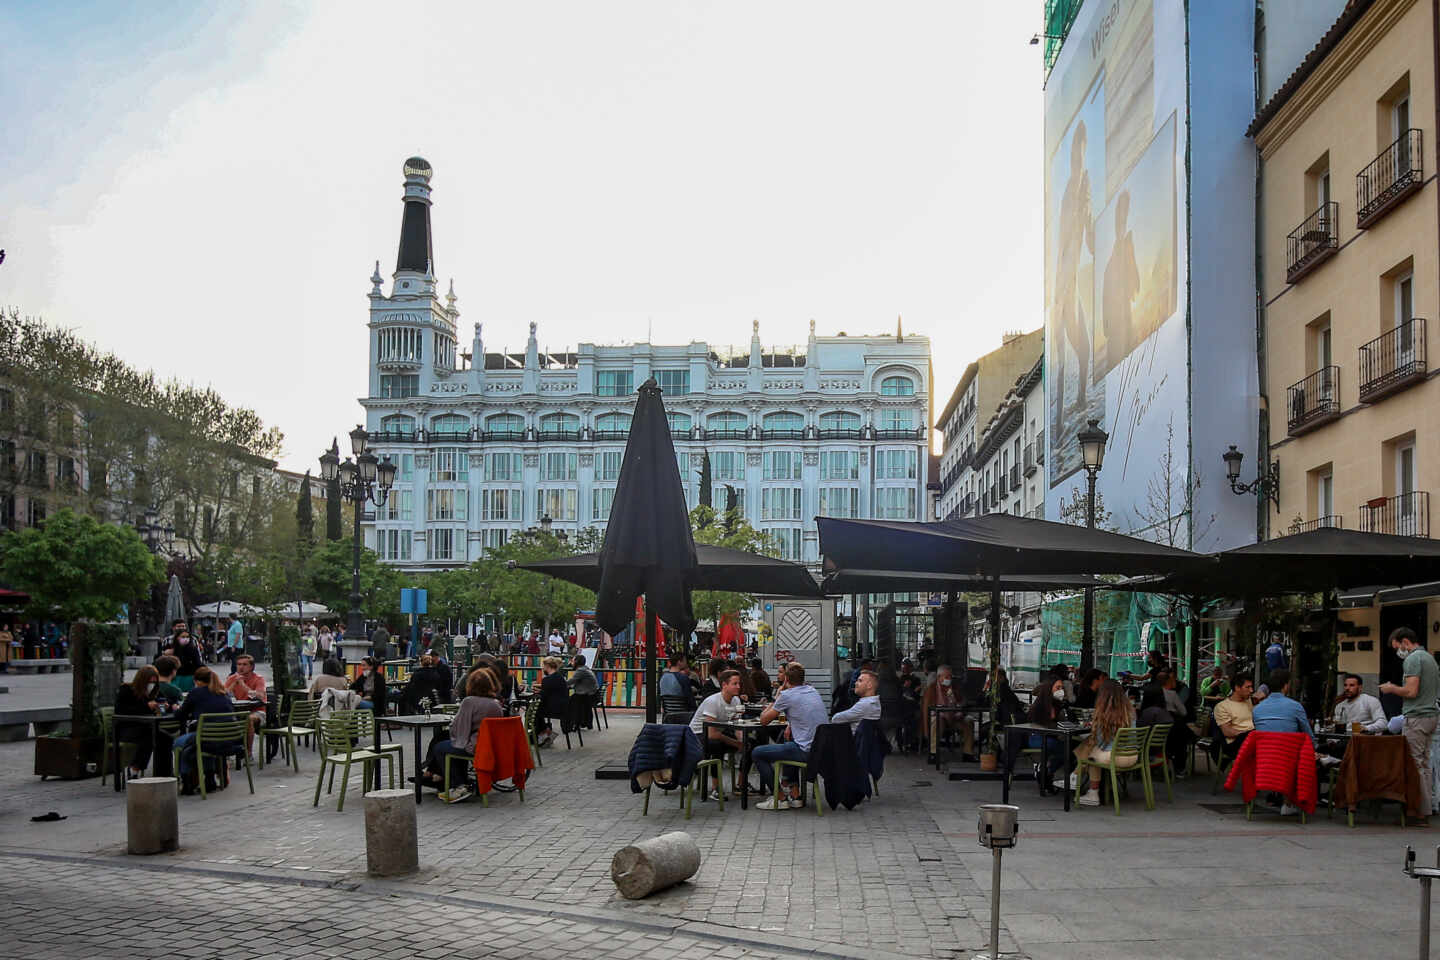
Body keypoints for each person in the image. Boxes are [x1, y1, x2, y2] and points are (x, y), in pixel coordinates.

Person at [1380, 626, 1439, 821]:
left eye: (1398, 647)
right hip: (1430, 715)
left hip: (1417, 716)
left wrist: (1392, 688)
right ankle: (1426, 807)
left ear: (1405, 642)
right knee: (1424, 763)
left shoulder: (1413, 659)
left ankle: (1418, 810)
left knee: (1415, 764)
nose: (1398, 652)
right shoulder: (1429, 658)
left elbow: (1411, 691)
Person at [754, 662, 830, 810]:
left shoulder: (786, 696)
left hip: (806, 751)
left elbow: (763, 720)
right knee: (787, 740)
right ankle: (795, 795)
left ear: (787, 679)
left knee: (757, 753)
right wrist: (790, 725)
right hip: (820, 749)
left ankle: (780, 797)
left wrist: (778, 696)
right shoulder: (812, 690)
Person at [423, 669, 505, 803]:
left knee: (440, 747)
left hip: (475, 746)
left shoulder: (469, 701)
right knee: (449, 741)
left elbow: (458, 727)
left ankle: (458, 784)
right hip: (490, 746)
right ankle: (451, 777)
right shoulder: (496, 705)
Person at [172, 666, 239, 794]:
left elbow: (180, 715)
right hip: (229, 739)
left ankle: (187, 782)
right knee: (203, 741)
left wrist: (175, 708)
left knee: (179, 744)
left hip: (207, 739)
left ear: (196, 681)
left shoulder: (196, 693)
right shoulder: (224, 693)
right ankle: (209, 780)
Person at [1072, 680, 1137, 806]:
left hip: (1114, 758)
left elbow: (1100, 742)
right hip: (1133, 756)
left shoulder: (1103, 714)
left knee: (1090, 750)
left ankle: (1079, 779)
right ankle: (1080, 781)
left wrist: (1092, 732)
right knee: (1091, 750)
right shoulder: (1131, 711)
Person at [688, 669, 745, 800]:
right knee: (716, 745)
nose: (738, 687)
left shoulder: (736, 700)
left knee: (751, 744)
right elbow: (711, 734)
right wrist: (736, 743)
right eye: (735, 684)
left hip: (718, 732)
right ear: (724, 685)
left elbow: (736, 725)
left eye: (739, 683)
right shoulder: (713, 701)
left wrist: (742, 740)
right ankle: (716, 789)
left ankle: (741, 784)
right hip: (697, 735)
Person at [114, 666, 171, 779]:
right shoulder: (127, 690)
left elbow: (164, 701)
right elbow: (121, 710)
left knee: (165, 736)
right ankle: (135, 768)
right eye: (150, 682)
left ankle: (164, 773)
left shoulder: (155, 692)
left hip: (147, 727)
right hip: (128, 728)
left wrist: (165, 707)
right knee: (150, 735)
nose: (152, 684)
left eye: (154, 682)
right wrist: (146, 706)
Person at [1027, 677, 1071, 789]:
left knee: (1069, 749)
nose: (1060, 690)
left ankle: (1046, 772)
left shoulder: (1058, 705)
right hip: (1037, 737)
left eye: (1062, 688)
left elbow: (1061, 722)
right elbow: (1038, 725)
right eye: (1058, 687)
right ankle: (1045, 771)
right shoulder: (1039, 705)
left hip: (1052, 737)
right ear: (1049, 689)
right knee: (1064, 748)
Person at [922, 664, 974, 756]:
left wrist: (959, 702)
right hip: (940, 718)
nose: (949, 679)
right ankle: (933, 753)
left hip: (954, 717)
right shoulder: (931, 689)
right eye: (947, 677)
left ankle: (968, 753)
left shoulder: (954, 687)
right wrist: (925, 731)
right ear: (939, 677)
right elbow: (926, 710)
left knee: (969, 721)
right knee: (936, 721)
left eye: (950, 676)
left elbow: (963, 700)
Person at [223, 654, 267, 755]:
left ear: (251, 667)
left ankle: (248, 752)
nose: (241, 667)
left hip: (257, 711)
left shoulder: (258, 679)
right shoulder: (232, 678)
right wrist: (234, 683)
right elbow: (222, 694)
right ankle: (227, 753)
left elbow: (260, 696)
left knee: (248, 719)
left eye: (244, 664)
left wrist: (243, 685)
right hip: (238, 711)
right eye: (238, 664)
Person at [1213, 673, 1256, 766]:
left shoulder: (1250, 701)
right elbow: (1227, 731)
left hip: (1253, 738)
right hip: (1235, 743)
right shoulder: (1222, 707)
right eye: (1247, 687)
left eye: (1251, 687)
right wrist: (1249, 734)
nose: (1251, 690)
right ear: (1237, 688)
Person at [533, 656, 569, 747]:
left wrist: (538, 692)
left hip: (553, 708)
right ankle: (545, 732)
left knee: (535, 712)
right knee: (538, 711)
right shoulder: (560, 677)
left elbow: (544, 697)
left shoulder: (547, 679)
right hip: (563, 707)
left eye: (544, 666)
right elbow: (551, 692)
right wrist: (541, 691)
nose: (543, 668)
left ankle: (543, 734)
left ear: (547, 666)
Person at [832, 668, 881, 732]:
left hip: (852, 741)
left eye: (860, 681)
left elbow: (835, 719)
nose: (855, 683)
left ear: (869, 685)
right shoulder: (874, 703)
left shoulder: (865, 705)